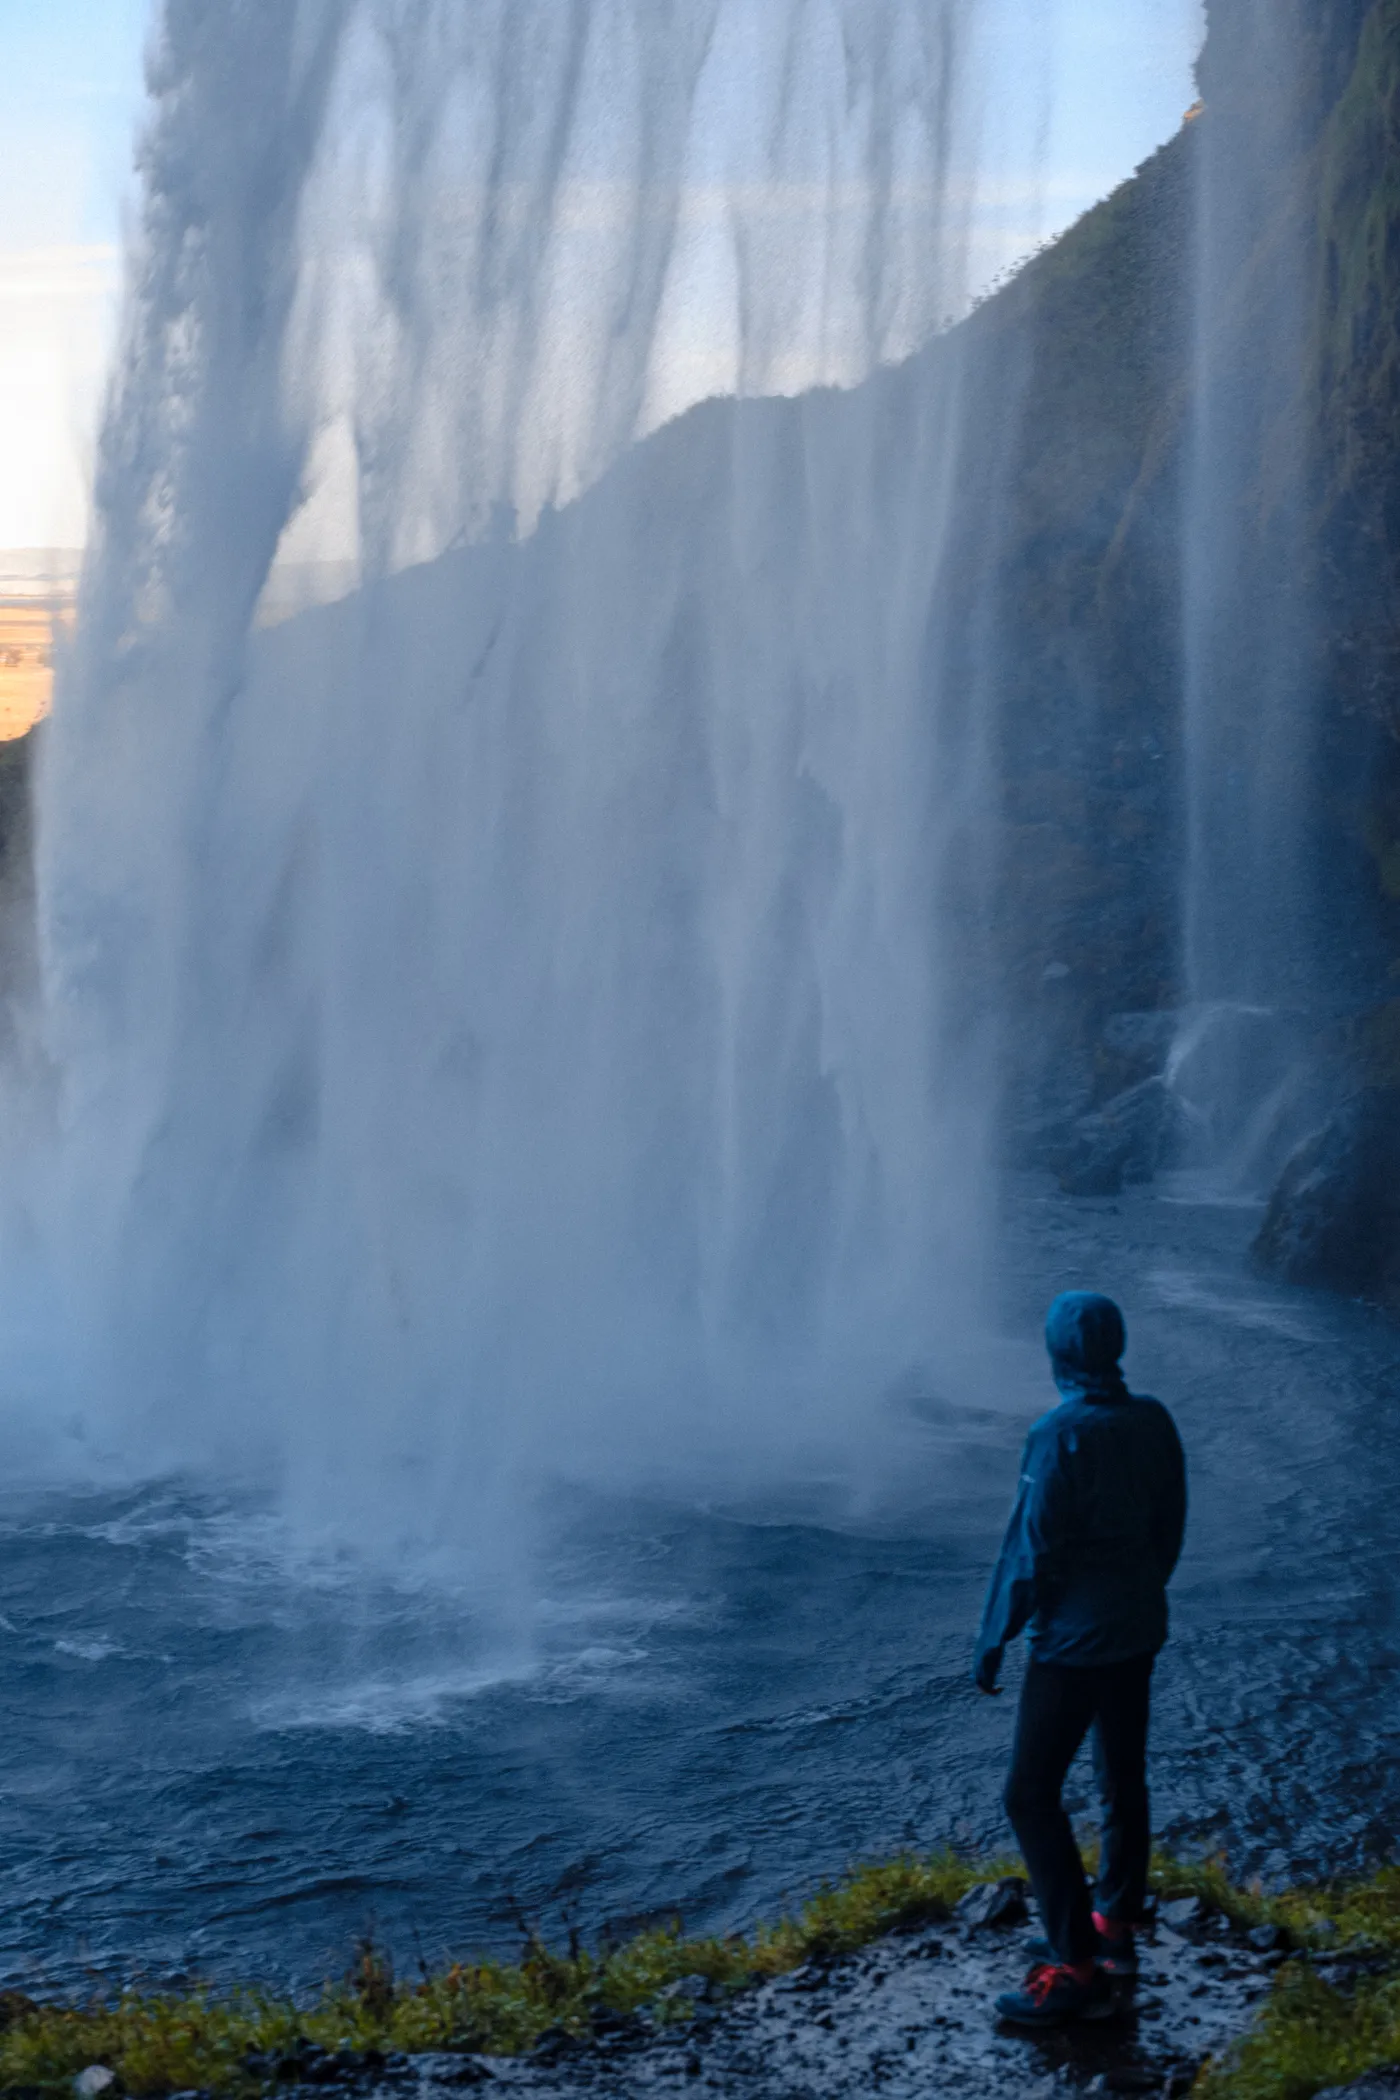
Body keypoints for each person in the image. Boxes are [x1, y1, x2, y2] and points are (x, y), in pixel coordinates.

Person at [973, 1290, 1187, 2028]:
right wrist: (1138, 1593)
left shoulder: (1057, 1434)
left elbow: (1028, 1553)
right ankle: (1115, 1922)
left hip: (1072, 1644)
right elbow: (1170, 1525)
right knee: (1121, 1775)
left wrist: (994, 1636)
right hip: (1137, 1627)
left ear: (1058, 1354)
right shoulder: (1152, 1419)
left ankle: (1075, 1967)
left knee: (1029, 1795)